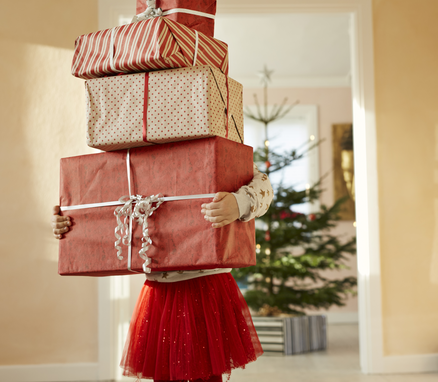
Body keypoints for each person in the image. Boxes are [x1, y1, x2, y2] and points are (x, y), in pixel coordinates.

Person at [52, 163, 273, 382]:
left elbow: (263, 185)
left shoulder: (212, 141)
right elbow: (104, 198)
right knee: (166, 374)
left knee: (207, 375)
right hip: (160, 290)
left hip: (207, 286)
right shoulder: (136, 156)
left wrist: (239, 203)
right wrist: (72, 221)